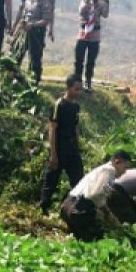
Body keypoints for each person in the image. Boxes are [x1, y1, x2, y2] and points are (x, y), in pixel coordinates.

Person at [59, 150, 133, 241]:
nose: (124, 172)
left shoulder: (101, 170)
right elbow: (95, 194)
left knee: (81, 242)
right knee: (98, 242)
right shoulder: (110, 170)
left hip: (67, 207)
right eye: (125, 168)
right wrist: (107, 213)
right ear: (117, 162)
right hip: (79, 210)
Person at [39, 74, 85, 215]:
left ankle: (70, 207)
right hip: (60, 146)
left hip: (72, 147)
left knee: (78, 179)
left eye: (80, 89)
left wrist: (78, 147)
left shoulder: (76, 107)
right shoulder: (59, 105)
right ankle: (44, 207)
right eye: (76, 89)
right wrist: (53, 153)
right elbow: (52, 128)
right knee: (52, 177)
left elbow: (76, 127)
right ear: (68, 87)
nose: (78, 92)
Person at [16, 0, 54, 85]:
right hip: (24, 32)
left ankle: (35, 81)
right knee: (18, 53)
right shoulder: (28, 1)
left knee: (35, 58)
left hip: (36, 32)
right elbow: (24, 15)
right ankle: (14, 76)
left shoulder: (46, 3)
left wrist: (32, 25)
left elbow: (46, 20)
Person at [75, 0, 109, 91]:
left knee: (91, 61)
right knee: (79, 59)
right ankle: (77, 81)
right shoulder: (84, 1)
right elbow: (81, 12)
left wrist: (106, 3)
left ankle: (88, 82)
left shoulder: (102, 3)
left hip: (95, 35)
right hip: (83, 34)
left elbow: (105, 15)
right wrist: (88, 0)